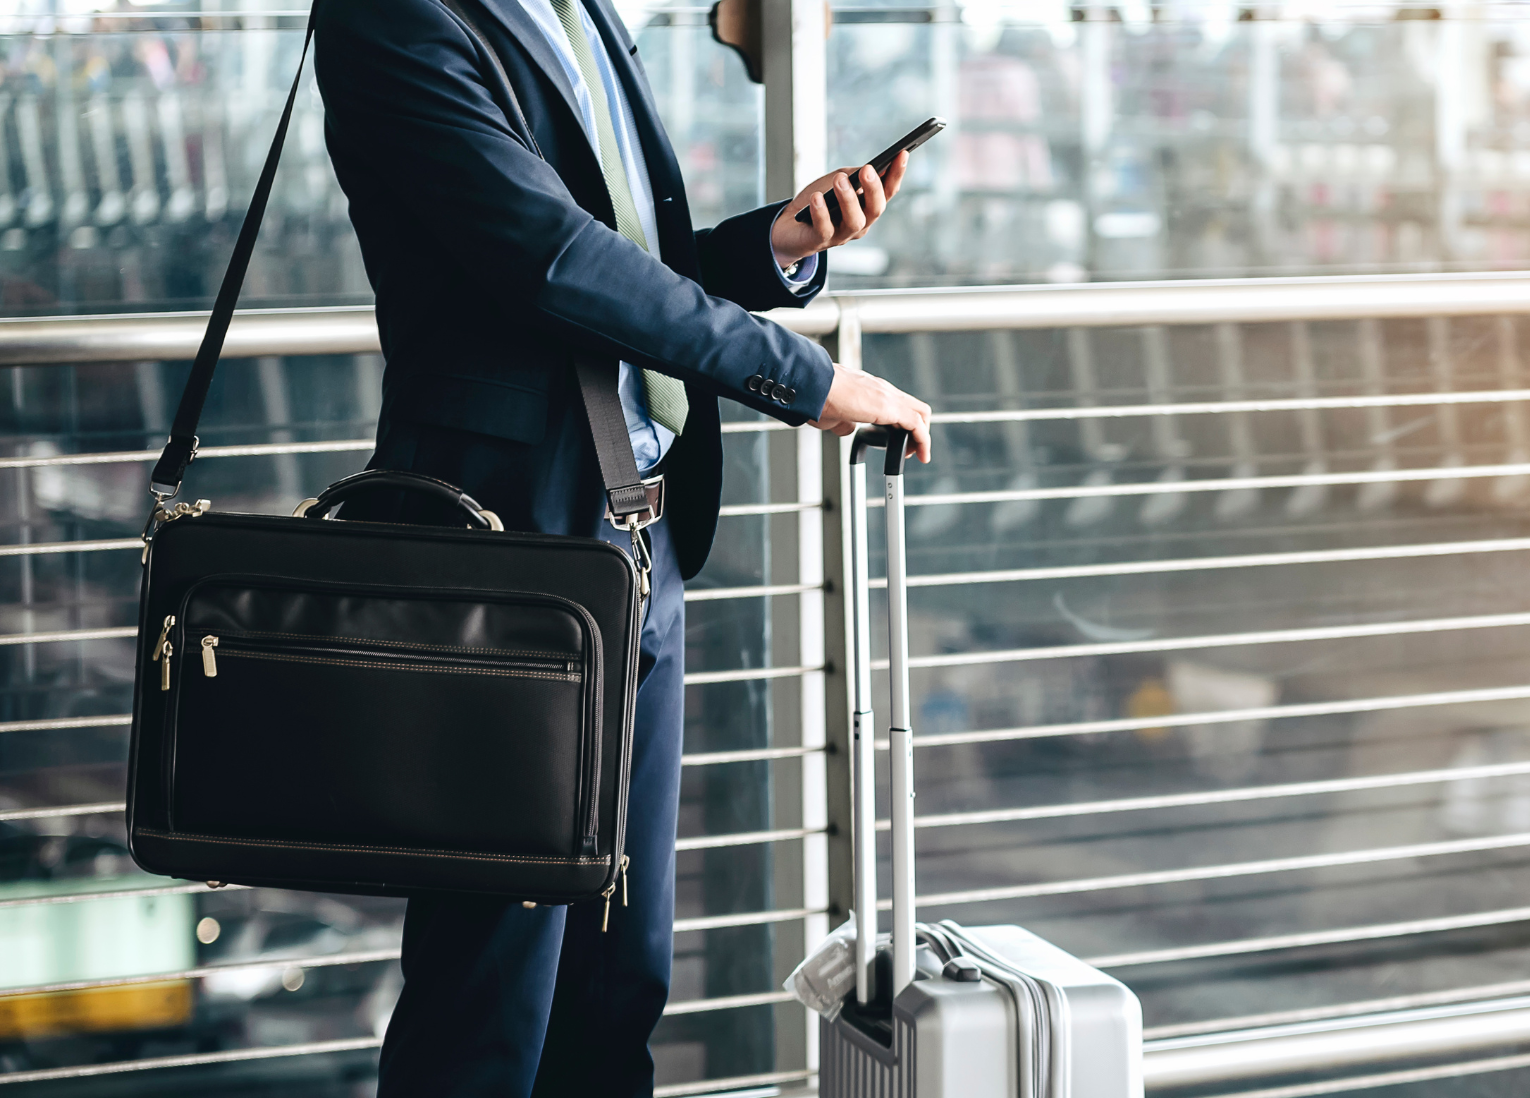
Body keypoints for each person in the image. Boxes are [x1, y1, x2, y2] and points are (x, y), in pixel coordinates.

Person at [313, 0, 932, 1092]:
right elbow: (549, 261)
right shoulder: (392, 15)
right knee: (491, 989)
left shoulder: (578, 9)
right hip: (508, 546)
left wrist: (778, 244)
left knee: (618, 982)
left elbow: (634, 254)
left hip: (640, 537)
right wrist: (807, 379)